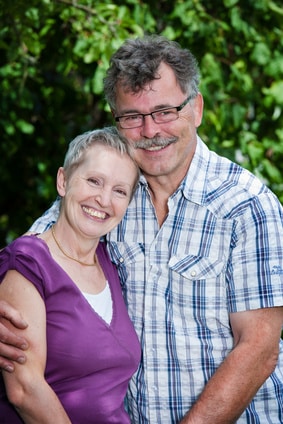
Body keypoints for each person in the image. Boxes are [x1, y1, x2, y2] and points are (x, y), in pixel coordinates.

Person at [0, 35, 283, 423]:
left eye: (165, 111)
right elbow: (36, 249)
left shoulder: (246, 206)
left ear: (196, 108)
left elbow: (258, 349)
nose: (150, 131)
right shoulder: (112, 195)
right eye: (133, 117)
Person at [0, 126, 141, 423]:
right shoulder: (28, 262)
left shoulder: (110, 263)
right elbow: (25, 390)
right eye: (94, 181)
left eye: (119, 191)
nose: (104, 199)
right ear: (63, 181)